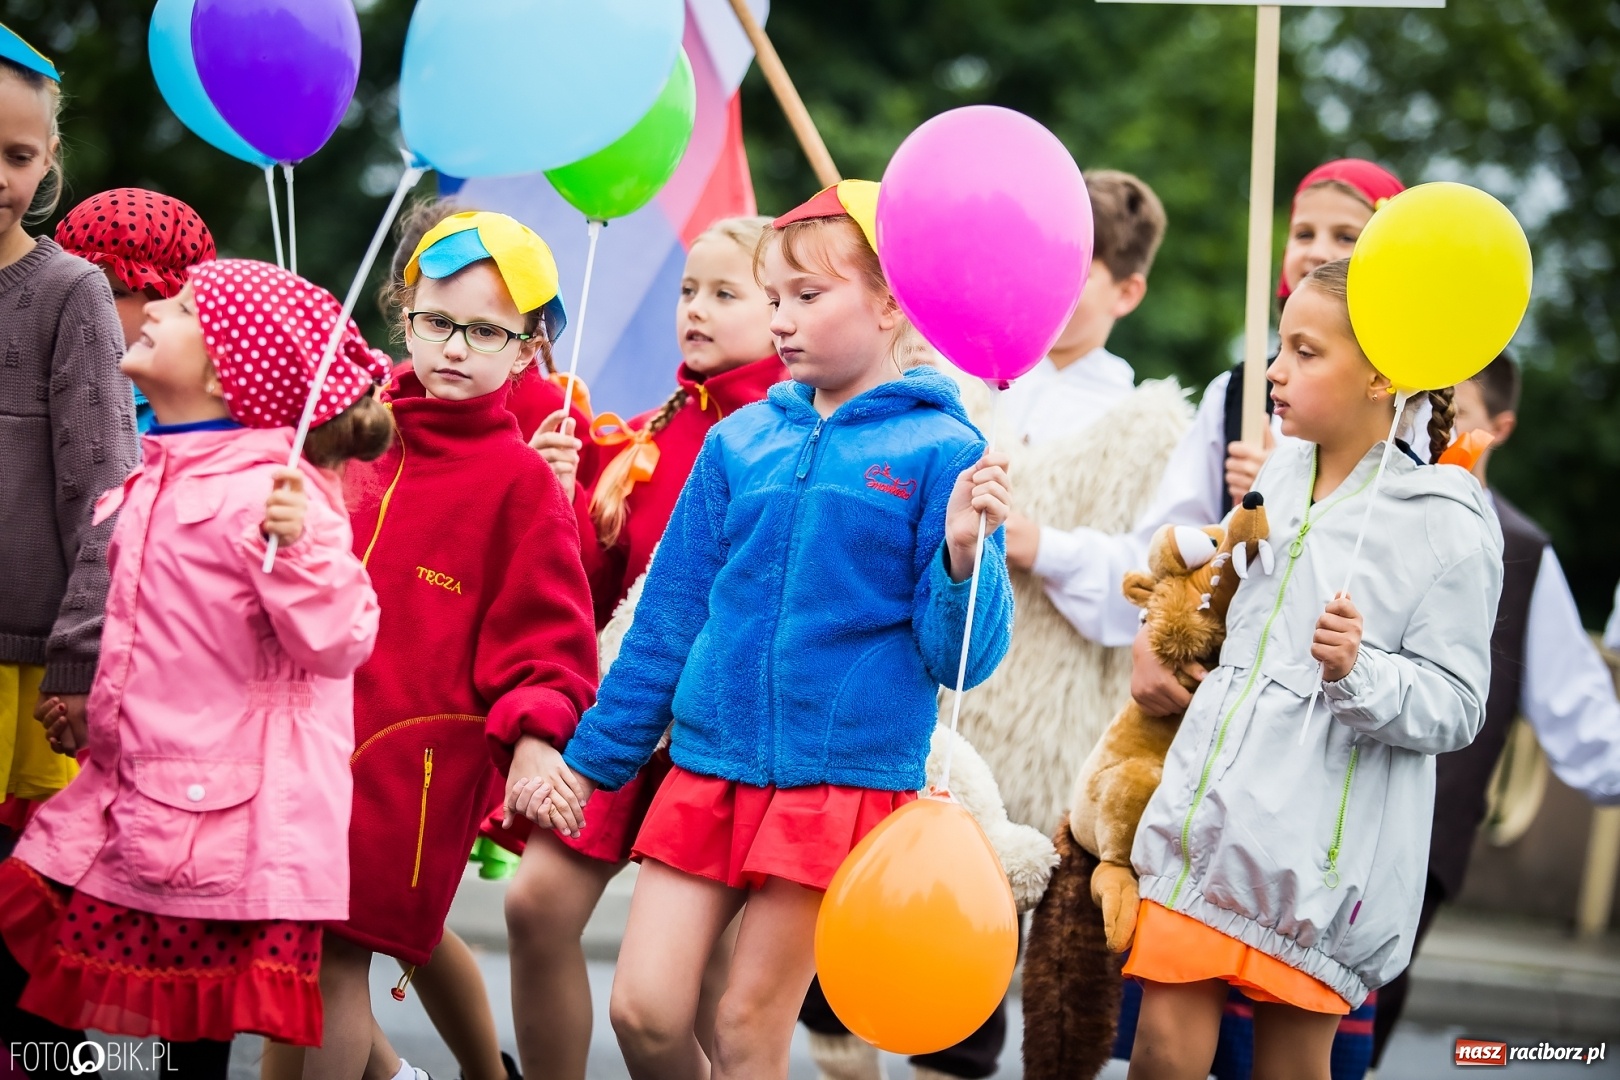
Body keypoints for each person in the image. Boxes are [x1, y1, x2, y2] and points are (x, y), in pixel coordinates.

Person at [510, 182, 1014, 1080]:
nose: (781, 319)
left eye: (807, 297)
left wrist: (965, 558)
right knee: (644, 1014)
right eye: (773, 298)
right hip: (708, 767)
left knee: (747, 1028)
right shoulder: (738, 441)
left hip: (841, 783)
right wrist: (591, 766)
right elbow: (665, 620)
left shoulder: (945, 449)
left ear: (891, 304)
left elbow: (963, 661)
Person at [0, 258, 392, 1078]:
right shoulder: (163, 466)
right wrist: (97, 709)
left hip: (221, 819)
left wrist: (304, 550)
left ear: (221, 368)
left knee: (191, 1038)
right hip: (141, 788)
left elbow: (339, 641)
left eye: (177, 309)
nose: (150, 313)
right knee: (131, 1003)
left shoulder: (272, 491)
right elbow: (157, 633)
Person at [1124, 258, 1501, 1080]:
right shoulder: (1278, 473)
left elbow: (1459, 703)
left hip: (1314, 868)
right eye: (1279, 346)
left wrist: (1360, 670)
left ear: (1381, 378)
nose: (1274, 370)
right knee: (1159, 1051)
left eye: (1305, 351)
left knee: (1291, 1068)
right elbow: (1227, 600)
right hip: (1210, 826)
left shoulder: (1445, 522)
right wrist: (1177, 615)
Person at [304, 211, 597, 1080]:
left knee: (337, 961)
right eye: (437, 321)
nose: (455, 347)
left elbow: (548, 643)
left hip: (409, 767)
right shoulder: (356, 429)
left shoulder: (519, 482)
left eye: (485, 331)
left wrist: (538, 741)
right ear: (405, 313)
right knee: (293, 967)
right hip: (301, 743)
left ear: (527, 348)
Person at [495, 214, 782, 1080]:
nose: (694, 310)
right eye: (688, 291)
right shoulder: (654, 430)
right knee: (536, 904)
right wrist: (559, 500)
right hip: (625, 708)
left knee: (705, 988)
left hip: (721, 731)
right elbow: (596, 581)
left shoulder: (790, 429)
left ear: (786, 310)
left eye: (725, 294)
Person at [1038, 160, 1409, 657]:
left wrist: (1284, 485)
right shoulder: (1238, 393)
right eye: (1303, 232)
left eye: (1345, 237)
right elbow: (1166, 545)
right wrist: (1151, 636)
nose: (1317, 250)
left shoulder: (1410, 410)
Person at [1367, 354, 1620, 1068]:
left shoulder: (1525, 555)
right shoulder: (1353, 500)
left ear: (1499, 427)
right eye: (1415, 400)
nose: (1425, 420)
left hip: (1415, 849)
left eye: (1452, 405)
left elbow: (1586, 725)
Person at [0, 27, 139, 855]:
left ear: (49, 159)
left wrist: (81, 657)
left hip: (17, 674)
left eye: (17, 156)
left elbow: (103, 489)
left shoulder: (70, 294)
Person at [54, 188, 219, 434]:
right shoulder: (34, 381)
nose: (80, 303)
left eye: (112, 292)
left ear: (165, 304)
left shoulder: (188, 416)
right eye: (69, 288)